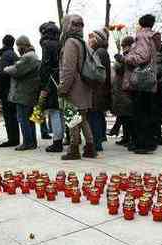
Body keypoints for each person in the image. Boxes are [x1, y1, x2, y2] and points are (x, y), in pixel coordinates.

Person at [115, 14, 161, 155]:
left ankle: (142, 144)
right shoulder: (153, 37)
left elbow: (142, 57)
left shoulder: (142, 36)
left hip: (140, 80)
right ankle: (149, 142)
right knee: (147, 111)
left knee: (139, 113)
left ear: (141, 25)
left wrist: (125, 58)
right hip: (149, 79)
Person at [59, 14, 96, 160]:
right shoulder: (82, 42)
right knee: (83, 119)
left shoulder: (70, 43)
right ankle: (90, 148)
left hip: (74, 88)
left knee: (73, 119)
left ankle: (74, 149)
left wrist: (62, 88)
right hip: (85, 86)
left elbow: (68, 70)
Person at [4, 35, 41, 151]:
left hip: (23, 94)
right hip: (30, 92)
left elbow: (16, 70)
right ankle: (32, 142)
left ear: (23, 45)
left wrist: (6, 69)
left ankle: (27, 143)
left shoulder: (28, 57)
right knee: (30, 119)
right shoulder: (33, 56)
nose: (18, 49)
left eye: (18, 46)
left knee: (23, 119)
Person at [38, 21, 65, 153]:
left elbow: (45, 66)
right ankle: (62, 138)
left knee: (54, 111)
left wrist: (43, 85)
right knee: (60, 111)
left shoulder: (46, 44)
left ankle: (57, 142)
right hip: (61, 80)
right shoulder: (60, 43)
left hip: (51, 82)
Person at [88, 29, 112, 152]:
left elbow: (96, 71)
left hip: (97, 90)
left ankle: (96, 143)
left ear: (98, 39)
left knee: (94, 116)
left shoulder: (99, 52)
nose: (89, 39)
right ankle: (100, 139)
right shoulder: (102, 51)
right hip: (100, 90)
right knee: (98, 115)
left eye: (92, 37)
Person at [110, 36, 135, 147]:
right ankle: (125, 137)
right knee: (124, 115)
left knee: (127, 115)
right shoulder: (126, 56)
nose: (124, 48)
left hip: (126, 89)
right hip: (121, 89)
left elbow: (123, 70)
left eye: (125, 46)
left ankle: (128, 137)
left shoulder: (131, 56)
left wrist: (119, 61)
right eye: (123, 46)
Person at [0, 35, 20, 147]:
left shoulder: (5, 56)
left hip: (6, 90)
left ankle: (12, 139)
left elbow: (1, 74)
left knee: (9, 115)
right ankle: (14, 138)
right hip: (13, 89)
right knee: (13, 115)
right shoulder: (14, 55)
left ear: (3, 43)